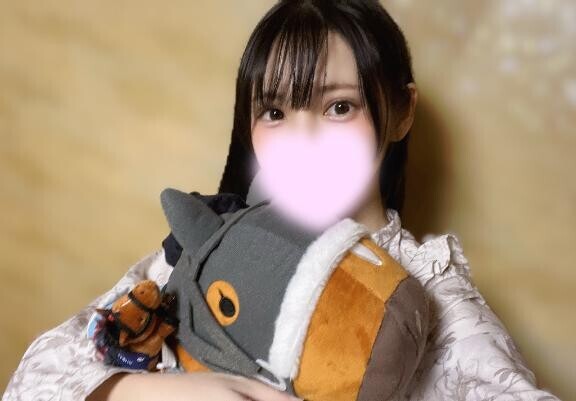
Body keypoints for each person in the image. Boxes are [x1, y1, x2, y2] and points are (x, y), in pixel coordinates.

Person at [2, 1, 561, 400]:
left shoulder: (429, 300)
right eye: (274, 112)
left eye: (338, 107)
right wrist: (165, 392)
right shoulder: (212, 245)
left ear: (401, 111)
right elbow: (32, 381)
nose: (302, 140)